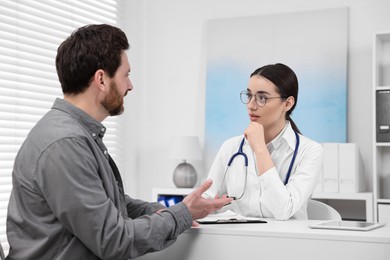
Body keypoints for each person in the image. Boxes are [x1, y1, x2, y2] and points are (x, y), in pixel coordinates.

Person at [5, 24, 232, 260]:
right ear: (101, 79)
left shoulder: (75, 133)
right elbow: (113, 240)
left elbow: (103, 201)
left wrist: (167, 209)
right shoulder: (65, 143)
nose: (130, 86)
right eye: (126, 75)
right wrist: (181, 214)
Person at [203, 63, 323, 220]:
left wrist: (260, 149)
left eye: (262, 98)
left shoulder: (310, 151)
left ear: (287, 103)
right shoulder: (231, 147)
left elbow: (283, 211)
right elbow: (207, 199)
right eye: (249, 96)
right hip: (239, 239)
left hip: (288, 241)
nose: (251, 106)